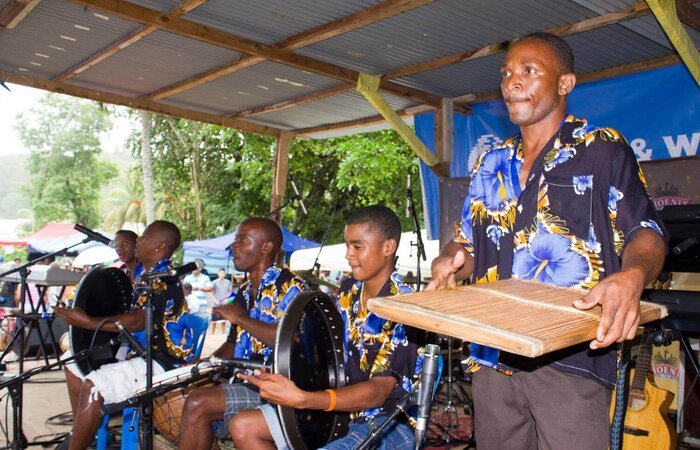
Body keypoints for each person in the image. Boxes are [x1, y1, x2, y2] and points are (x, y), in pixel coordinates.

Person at [427, 32, 667, 450]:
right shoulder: (490, 163)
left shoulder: (601, 149)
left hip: (570, 356)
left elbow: (646, 231)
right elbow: (466, 244)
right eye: (506, 73)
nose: (511, 81)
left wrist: (632, 275)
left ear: (564, 83)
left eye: (528, 71)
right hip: (490, 353)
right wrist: (448, 262)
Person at [231, 205, 427, 450]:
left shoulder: (403, 306)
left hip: (388, 422)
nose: (348, 255)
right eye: (347, 246)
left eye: (357, 246)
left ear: (388, 247)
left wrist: (304, 399)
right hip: (341, 410)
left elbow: (378, 392)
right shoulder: (348, 290)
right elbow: (326, 354)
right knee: (243, 426)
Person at [55, 220, 193, 450]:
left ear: (159, 247)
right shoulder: (149, 276)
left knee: (94, 385)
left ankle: (80, 440)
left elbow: (139, 320)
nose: (139, 240)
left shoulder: (162, 279)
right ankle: (83, 430)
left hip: (160, 362)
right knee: (73, 364)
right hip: (137, 352)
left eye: (145, 238)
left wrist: (88, 322)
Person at [178, 217, 305, 450]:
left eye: (242, 240)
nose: (233, 247)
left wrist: (241, 319)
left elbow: (288, 340)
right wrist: (205, 363)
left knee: (198, 403)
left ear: (266, 247)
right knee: (183, 393)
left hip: (275, 387)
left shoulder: (292, 287)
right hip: (246, 380)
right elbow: (232, 343)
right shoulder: (245, 291)